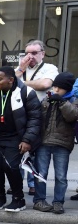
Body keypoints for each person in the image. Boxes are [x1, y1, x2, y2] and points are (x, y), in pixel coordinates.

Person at [0, 67, 42, 212]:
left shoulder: (26, 93)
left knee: (10, 166)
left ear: (11, 80)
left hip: (17, 137)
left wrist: (27, 140)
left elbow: (35, 119)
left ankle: (18, 199)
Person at [32, 72, 78, 214]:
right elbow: (38, 118)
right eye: (55, 87)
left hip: (62, 143)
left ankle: (58, 202)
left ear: (68, 89)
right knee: (41, 173)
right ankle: (39, 200)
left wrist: (62, 102)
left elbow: (72, 116)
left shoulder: (73, 100)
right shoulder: (47, 99)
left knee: (61, 176)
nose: (56, 90)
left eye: (60, 88)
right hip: (44, 142)